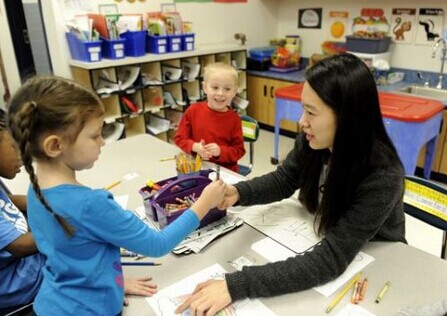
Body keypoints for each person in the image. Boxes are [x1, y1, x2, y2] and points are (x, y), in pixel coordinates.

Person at [175, 53, 407, 315]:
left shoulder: (382, 174)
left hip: (378, 262)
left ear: (347, 117)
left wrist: (236, 285)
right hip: (323, 236)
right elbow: (285, 179)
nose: (301, 121)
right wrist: (238, 192)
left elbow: (331, 258)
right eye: (303, 109)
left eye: (311, 112)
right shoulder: (314, 140)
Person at [6, 76, 226, 316]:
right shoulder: (91, 204)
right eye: (95, 135)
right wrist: (204, 203)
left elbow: (72, 254)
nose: (102, 142)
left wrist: (112, 284)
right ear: (55, 146)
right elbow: (157, 244)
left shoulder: (35, 189)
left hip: (53, 304)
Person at [0, 108, 162, 316]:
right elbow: (19, 246)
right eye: (14, 146)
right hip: (29, 286)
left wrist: (54, 204)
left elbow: (9, 202)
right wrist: (74, 216)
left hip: (44, 269)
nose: (23, 155)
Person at [174, 62, 245, 173]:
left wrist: (220, 151)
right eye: (215, 87)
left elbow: (239, 151)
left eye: (227, 89)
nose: (220, 93)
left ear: (234, 92)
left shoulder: (234, 119)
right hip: (197, 167)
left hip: (224, 172)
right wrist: (194, 146)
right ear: (205, 87)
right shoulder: (193, 111)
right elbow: (179, 138)